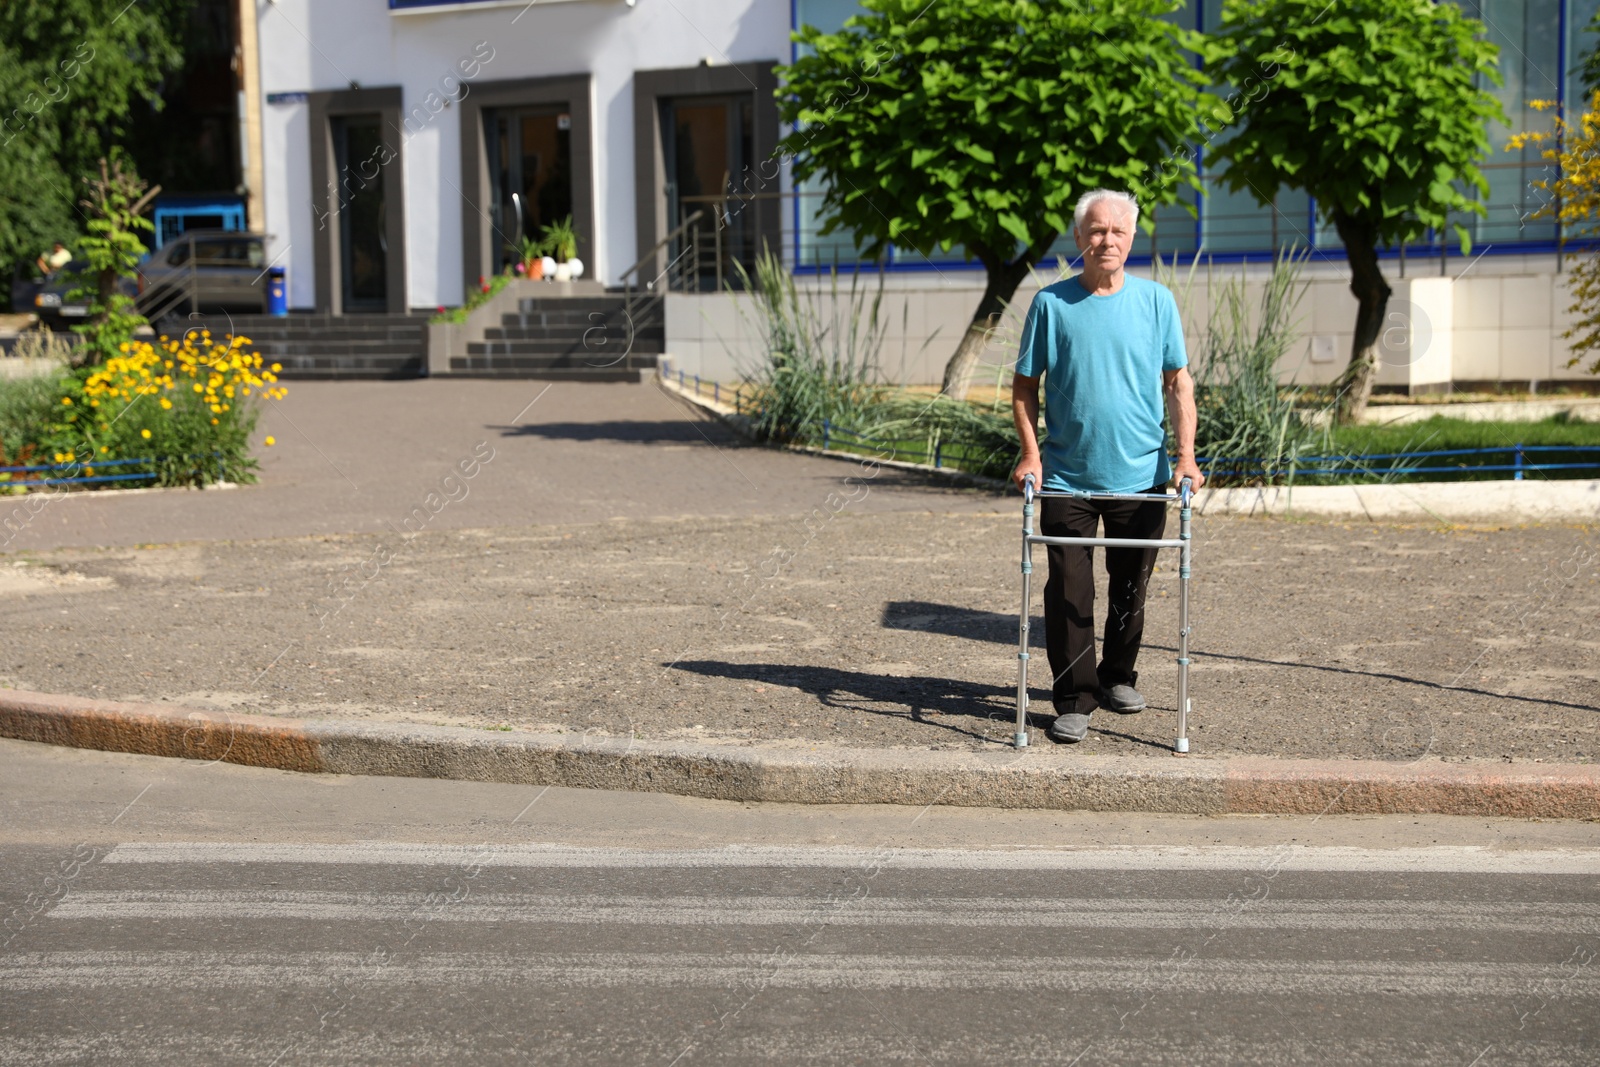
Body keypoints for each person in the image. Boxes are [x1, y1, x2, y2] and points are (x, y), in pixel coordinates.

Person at [1010, 189, 1204, 744]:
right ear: (1078, 239)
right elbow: (1025, 387)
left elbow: (1177, 384)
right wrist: (1030, 453)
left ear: (1132, 238)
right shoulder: (1052, 304)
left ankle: (1117, 676)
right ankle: (1074, 697)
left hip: (1142, 476)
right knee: (1069, 590)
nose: (1107, 240)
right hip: (1068, 476)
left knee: (1130, 586)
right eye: (1096, 231)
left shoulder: (1156, 302)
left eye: (1118, 230)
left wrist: (1186, 457)